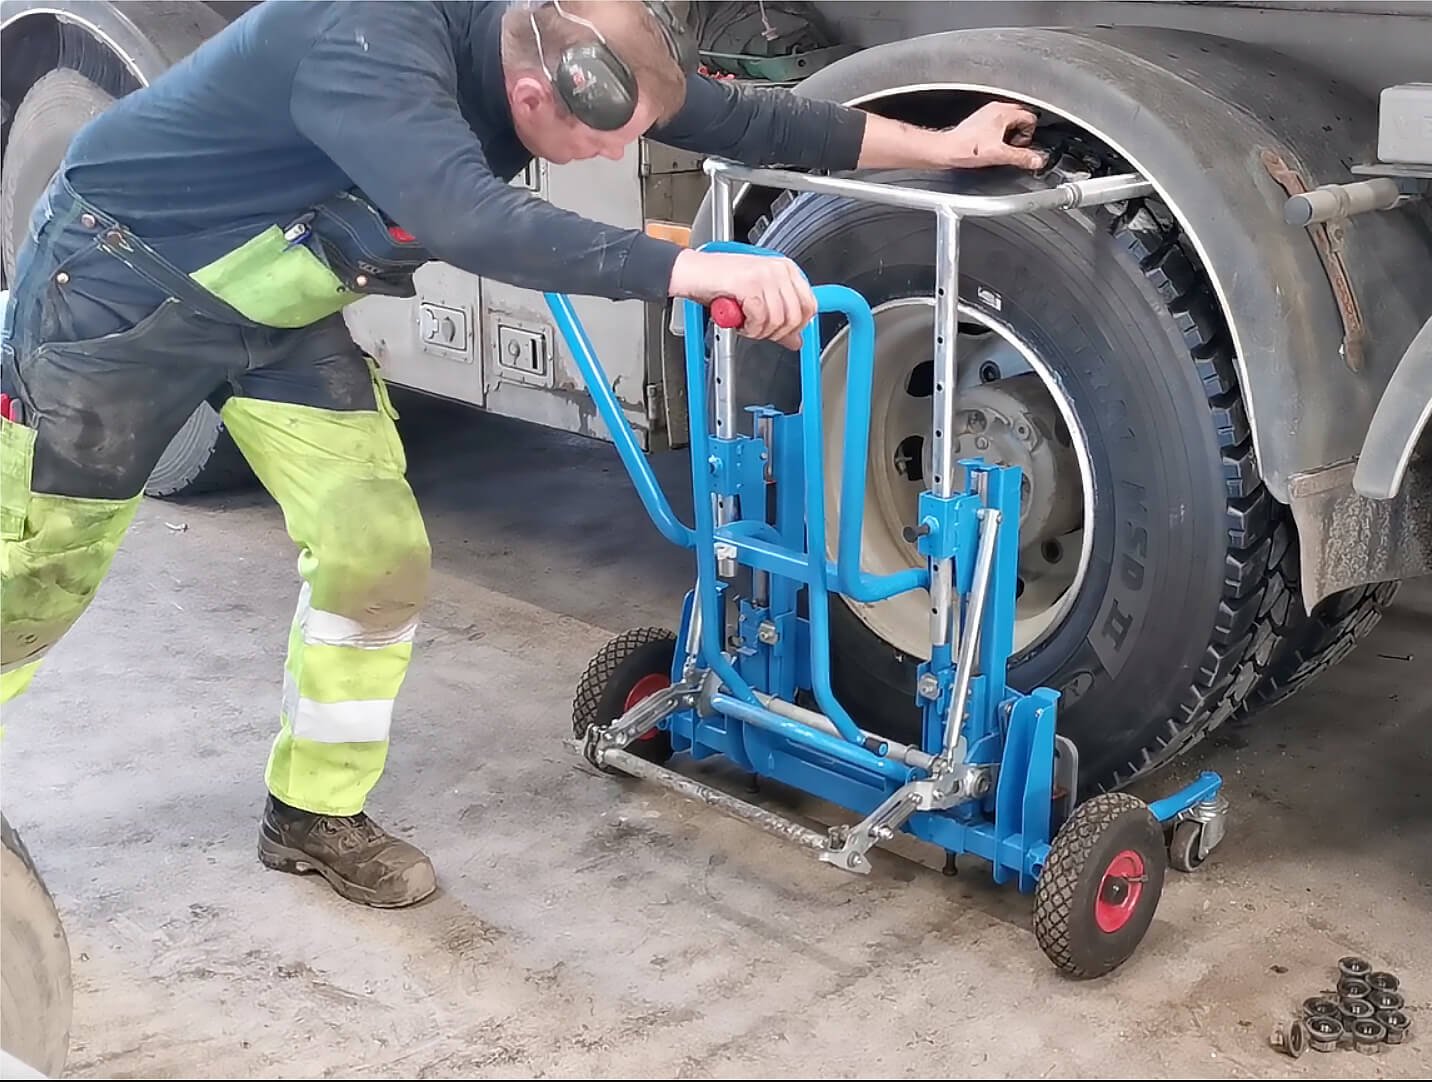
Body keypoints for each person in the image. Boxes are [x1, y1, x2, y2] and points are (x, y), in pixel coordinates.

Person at [0, 0, 1045, 909]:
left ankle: (311, 816)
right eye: (591, 144)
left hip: (277, 301)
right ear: (536, 85)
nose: (601, 161)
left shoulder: (576, 53)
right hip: (118, 280)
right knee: (32, 575)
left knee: (375, 549)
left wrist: (945, 144)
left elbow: (764, 117)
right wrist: (685, 267)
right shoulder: (368, 38)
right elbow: (472, 220)